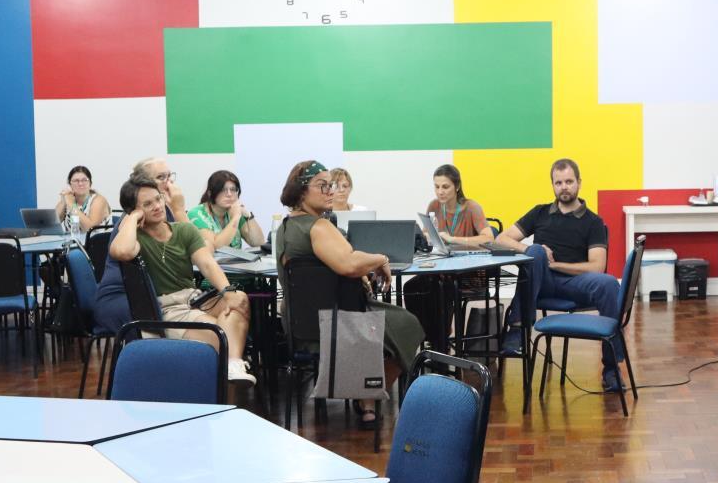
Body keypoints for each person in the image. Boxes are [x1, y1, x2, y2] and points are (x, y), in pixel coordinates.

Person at [275, 161, 423, 427]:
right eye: (322, 185)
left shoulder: (285, 228)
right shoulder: (318, 227)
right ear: (301, 191)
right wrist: (380, 258)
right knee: (409, 325)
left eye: (330, 184)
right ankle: (365, 395)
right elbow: (349, 263)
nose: (330, 190)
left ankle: (362, 394)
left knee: (390, 326)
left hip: (301, 327)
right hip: (341, 324)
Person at [496, 158, 627, 392]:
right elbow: (501, 239)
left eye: (569, 181)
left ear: (579, 182)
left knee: (608, 284)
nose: (564, 187)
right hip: (541, 281)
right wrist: (531, 251)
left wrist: (557, 265)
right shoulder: (540, 212)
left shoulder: (593, 222)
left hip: (575, 282)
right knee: (535, 251)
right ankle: (517, 327)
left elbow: (597, 266)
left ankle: (611, 369)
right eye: (559, 183)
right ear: (553, 185)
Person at [107, 176, 254, 383]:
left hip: (195, 299)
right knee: (221, 335)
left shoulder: (183, 230)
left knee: (239, 299)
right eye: (147, 204)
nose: (157, 206)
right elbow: (120, 251)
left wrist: (227, 291)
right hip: (167, 308)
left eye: (158, 199)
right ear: (134, 210)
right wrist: (131, 219)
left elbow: (207, 264)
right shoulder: (136, 237)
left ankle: (233, 364)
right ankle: (224, 374)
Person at [187, 170, 266, 250]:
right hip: (211, 262)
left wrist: (248, 216)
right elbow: (216, 247)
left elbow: (258, 243)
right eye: (223, 190)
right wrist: (235, 218)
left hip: (237, 262)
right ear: (210, 193)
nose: (229, 194)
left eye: (233, 189)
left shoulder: (235, 211)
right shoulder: (196, 214)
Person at [426, 163, 491, 247]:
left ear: (457, 186)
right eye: (437, 187)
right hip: (443, 257)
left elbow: (489, 239)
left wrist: (452, 239)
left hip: (469, 258)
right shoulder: (434, 205)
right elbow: (425, 233)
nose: (440, 192)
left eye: (445, 187)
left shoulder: (472, 207)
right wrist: (428, 236)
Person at [57, 166, 110, 231]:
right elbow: (53, 224)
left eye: (84, 180)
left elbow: (90, 229)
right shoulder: (68, 199)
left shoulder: (98, 200)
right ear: (70, 184)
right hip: (72, 240)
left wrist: (71, 205)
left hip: (96, 240)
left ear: (90, 184)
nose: (80, 183)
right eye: (76, 181)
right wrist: (63, 201)